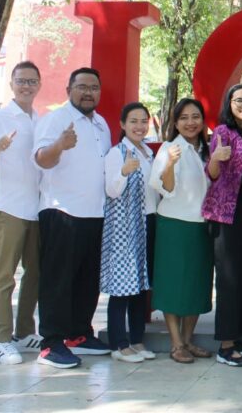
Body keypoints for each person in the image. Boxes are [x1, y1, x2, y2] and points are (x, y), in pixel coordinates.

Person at [32, 67, 113, 368]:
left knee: (86, 280)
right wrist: (59, 145)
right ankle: (51, 343)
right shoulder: (56, 119)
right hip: (61, 210)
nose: (88, 92)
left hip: (94, 213)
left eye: (94, 87)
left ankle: (79, 334)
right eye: (81, 86)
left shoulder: (102, 124)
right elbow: (41, 159)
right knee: (58, 280)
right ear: (69, 89)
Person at [0, 62, 43, 365]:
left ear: (39, 84)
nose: (26, 86)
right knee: (5, 276)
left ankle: (24, 331)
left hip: (36, 209)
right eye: (21, 81)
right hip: (8, 207)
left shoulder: (39, 120)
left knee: (36, 272)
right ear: (12, 84)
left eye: (31, 81)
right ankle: (0, 340)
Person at [202, 83, 242, 367]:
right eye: (239, 100)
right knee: (228, 279)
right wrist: (215, 159)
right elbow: (213, 175)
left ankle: (239, 337)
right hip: (226, 214)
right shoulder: (222, 133)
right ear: (229, 103)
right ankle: (226, 346)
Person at [149, 98, 214, 364]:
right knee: (173, 285)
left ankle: (188, 340)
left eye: (195, 116)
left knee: (196, 285)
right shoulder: (169, 147)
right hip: (174, 224)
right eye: (184, 117)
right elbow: (165, 188)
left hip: (201, 225)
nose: (190, 122)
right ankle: (176, 344)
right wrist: (171, 164)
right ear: (175, 123)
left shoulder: (207, 150)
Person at [101, 102, 157, 363]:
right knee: (122, 287)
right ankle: (119, 344)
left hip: (147, 224)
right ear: (123, 125)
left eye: (143, 121)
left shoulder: (148, 152)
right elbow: (111, 190)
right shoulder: (116, 153)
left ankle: (136, 340)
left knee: (141, 286)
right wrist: (123, 172)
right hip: (125, 227)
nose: (139, 126)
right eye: (133, 121)